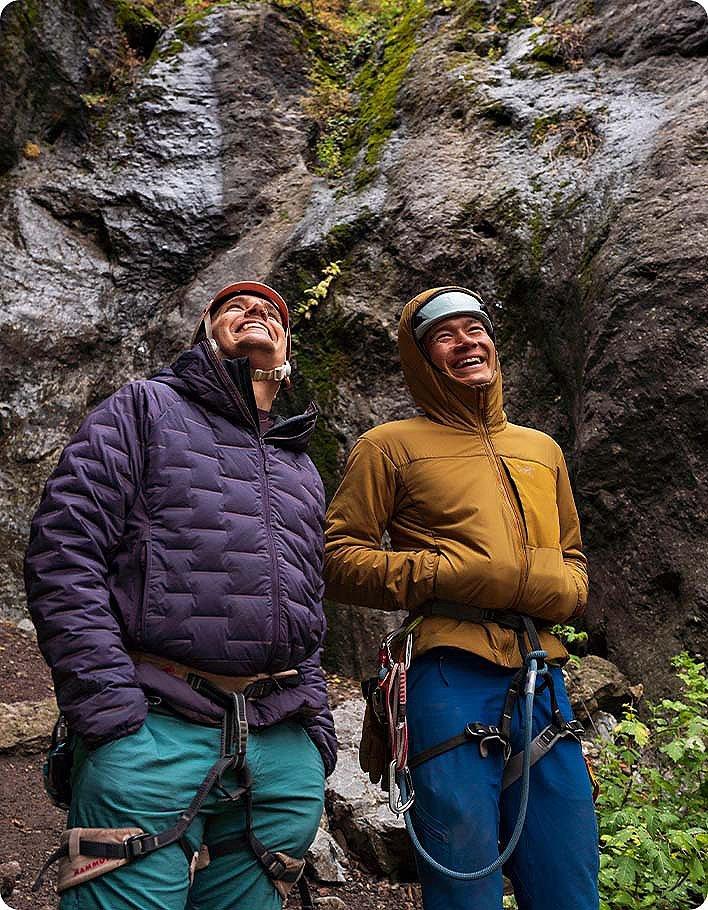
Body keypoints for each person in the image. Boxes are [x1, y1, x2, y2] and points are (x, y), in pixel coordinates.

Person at [24, 280, 336, 910]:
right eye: (235, 308)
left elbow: (306, 604)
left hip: (278, 747)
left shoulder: (301, 464)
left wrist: (317, 735)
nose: (255, 313)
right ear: (205, 330)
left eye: (272, 312)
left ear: (287, 350)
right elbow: (65, 550)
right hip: (155, 726)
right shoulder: (143, 408)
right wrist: (109, 711)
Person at [324, 287, 599, 910]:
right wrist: (443, 573)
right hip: (448, 674)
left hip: (541, 674)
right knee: (463, 872)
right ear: (424, 360)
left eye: (476, 329)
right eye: (446, 336)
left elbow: (575, 553)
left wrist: (569, 588)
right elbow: (335, 561)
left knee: (569, 871)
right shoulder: (388, 446)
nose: (468, 341)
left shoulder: (541, 449)